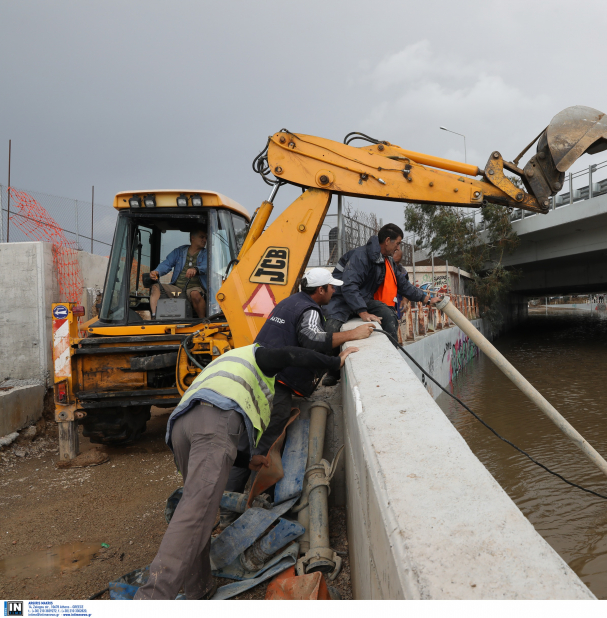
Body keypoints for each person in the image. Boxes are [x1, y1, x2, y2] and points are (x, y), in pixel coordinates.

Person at [134, 342, 357, 600]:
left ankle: (200, 588)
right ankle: (152, 598)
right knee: (194, 514)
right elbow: (288, 353)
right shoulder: (256, 355)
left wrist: (247, 460)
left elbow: (216, 424)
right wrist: (333, 362)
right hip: (213, 423)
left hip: (183, 426)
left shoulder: (227, 365)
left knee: (197, 512)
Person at [223, 268, 375, 493]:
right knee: (267, 444)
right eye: (331, 287)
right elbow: (312, 340)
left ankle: (227, 503)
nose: (334, 290)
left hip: (256, 376)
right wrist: (352, 335)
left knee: (248, 443)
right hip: (276, 384)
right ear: (320, 290)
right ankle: (259, 500)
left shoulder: (290, 302)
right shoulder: (310, 310)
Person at [322, 224, 438, 385]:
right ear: (387, 241)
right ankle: (332, 372)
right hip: (341, 299)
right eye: (397, 243)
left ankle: (390, 362)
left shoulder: (387, 260)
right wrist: (363, 312)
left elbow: (403, 285)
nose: (398, 248)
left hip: (362, 298)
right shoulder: (361, 256)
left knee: (389, 315)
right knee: (332, 328)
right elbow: (349, 286)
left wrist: (426, 299)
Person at [149, 228, 208, 319]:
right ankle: (154, 317)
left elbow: (206, 266)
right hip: (177, 290)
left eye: (206, 238)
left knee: (195, 294)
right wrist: (157, 271)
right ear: (192, 238)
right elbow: (167, 263)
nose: (205, 240)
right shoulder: (179, 251)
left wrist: (196, 269)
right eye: (202, 237)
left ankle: (203, 320)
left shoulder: (207, 254)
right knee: (155, 287)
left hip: (196, 289)